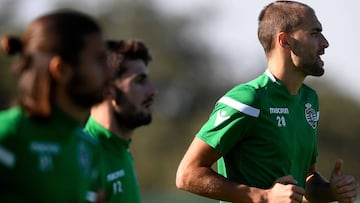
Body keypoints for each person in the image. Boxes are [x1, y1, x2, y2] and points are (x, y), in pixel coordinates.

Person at [176, 1, 358, 203]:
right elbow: (187, 174)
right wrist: (263, 197)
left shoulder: (309, 100)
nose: (325, 43)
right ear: (285, 40)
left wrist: (331, 191)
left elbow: (305, 181)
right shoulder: (248, 100)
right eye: (314, 33)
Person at [0, 10, 109, 203]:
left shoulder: (89, 148)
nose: (109, 71)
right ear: (62, 70)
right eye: (99, 60)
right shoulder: (9, 134)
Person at [84, 39, 156, 203]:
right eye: (139, 81)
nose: (153, 91)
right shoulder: (85, 157)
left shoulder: (121, 149)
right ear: (109, 91)